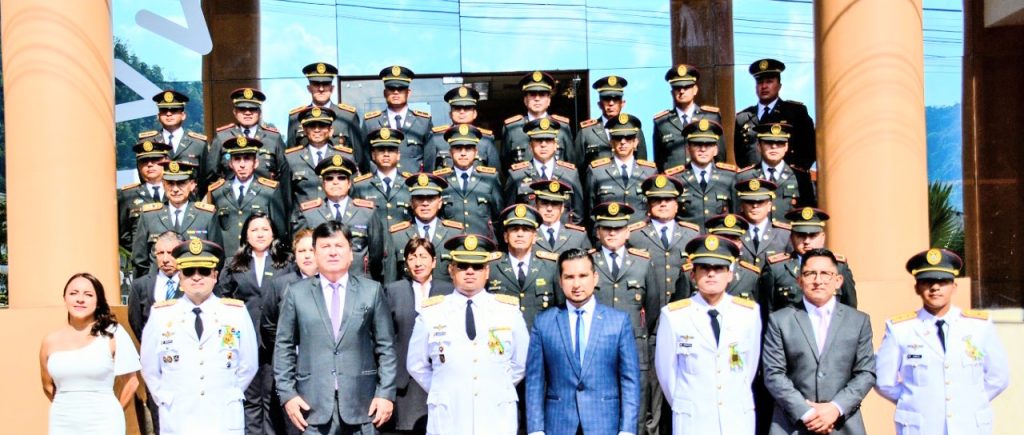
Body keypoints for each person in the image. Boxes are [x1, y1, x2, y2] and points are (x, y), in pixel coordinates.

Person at [274, 221, 398, 434]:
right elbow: (283, 346)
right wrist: (287, 395)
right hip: (312, 408)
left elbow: (386, 347)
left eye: (339, 246)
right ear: (314, 253)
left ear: (351, 253)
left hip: (363, 407)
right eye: (325, 247)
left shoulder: (372, 291)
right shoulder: (296, 293)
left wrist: (385, 393)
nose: (332, 252)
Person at [875, 248, 1010, 435]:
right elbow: (884, 381)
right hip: (921, 426)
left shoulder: (978, 326)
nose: (935, 287)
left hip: (970, 425)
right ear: (916, 287)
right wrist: (915, 400)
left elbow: (999, 376)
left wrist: (970, 400)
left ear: (954, 286)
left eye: (942, 281)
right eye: (927, 281)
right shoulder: (900, 329)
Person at [407, 234, 530, 435]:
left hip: (495, 413)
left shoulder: (508, 311)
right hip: (448, 414)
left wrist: (496, 384)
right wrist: (443, 388)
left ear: (487, 271)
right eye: (462, 266)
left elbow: (521, 362)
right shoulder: (431, 313)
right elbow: (416, 364)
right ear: (451, 269)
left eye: (477, 266)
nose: (470, 271)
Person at [140, 239, 258, 434]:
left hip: (222, 415)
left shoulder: (235, 313)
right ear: (179, 277)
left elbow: (249, 364)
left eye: (203, 271)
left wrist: (229, 392)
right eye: (189, 272)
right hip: (178, 416)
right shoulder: (161, 315)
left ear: (215, 276)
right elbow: (150, 367)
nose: (196, 277)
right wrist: (165, 397)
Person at [525, 248, 641, 435]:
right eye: (569, 277)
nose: (577, 284)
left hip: (604, 424)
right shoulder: (544, 322)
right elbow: (534, 381)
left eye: (583, 276)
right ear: (560, 281)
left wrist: (627, 429)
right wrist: (536, 429)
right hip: (558, 425)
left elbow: (630, 381)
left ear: (595, 278)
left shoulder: (618, 322)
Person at [654, 235, 761, 435]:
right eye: (704, 268)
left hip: (736, 417)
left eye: (719, 268)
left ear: (730, 274)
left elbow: (748, 367)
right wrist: (684, 403)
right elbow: (667, 373)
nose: (711, 274)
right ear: (692, 274)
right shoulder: (674, 315)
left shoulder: (748, 313)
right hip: (693, 419)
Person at [761, 248, 875, 435]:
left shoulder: (858, 321)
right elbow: (773, 374)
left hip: (843, 424)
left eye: (826, 274)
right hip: (792, 425)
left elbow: (866, 372)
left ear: (838, 281)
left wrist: (835, 408)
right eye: (810, 274)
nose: (818, 280)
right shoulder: (780, 320)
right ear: (799, 280)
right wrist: (807, 413)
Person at [589, 202, 662, 435]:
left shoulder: (642, 263)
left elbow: (652, 308)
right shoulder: (588, 262)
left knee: (636, 414)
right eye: (606, 228)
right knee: (597, 413)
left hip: (634, 347)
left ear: (628, 231)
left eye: (618, 228)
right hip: (595, 349)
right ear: (598, 231)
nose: (612, 233)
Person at [218, 212, 294, 435]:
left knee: (272, 396)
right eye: (254, 230)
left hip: (275, 339)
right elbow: (223, 300)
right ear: (245, 235)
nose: (260, 234)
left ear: (273, 233)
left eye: (265, 229)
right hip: (244, 339)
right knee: (250, 398)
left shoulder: (286, 262)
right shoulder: (233, 264)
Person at [41, 273, 141, 435]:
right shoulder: (50, 341)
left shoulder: (114, 333)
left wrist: (114, 413)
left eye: (88, 295)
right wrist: (69, 406)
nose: (80, 299)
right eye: (73, 293)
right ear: (64, 298)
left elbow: (132, 382)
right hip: (62, 421)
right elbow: (47, 385)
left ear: (98, 301)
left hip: (104, 422)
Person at [382, 238, 455, 435]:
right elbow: (385, 337)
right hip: (405, 381)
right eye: (412, 257)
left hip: (439, 377)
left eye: (423, 256)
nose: (418, 262)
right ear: (406, 263)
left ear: (433, 261)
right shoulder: (393, 290)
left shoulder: (448, 291)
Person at [294, 155, 392, 282]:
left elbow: (376, 255)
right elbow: (301, 251)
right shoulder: (309, 214)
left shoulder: (367, 212)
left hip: (359, 282)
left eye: (341, 178)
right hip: (320, 283)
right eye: (329, 178)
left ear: (349, 183)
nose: (335, 182)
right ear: (323, 184)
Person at [131, 160, 220, 277]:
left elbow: (216, 256)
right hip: (159, 287)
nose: (175, 189)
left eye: (181, 183)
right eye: (170, 184)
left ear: (192, 185)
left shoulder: (206, 216)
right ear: (163, 184)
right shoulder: (149, 216)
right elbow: (139, 259)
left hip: (194, 284)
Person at [759, 207, 857, 313]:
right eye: (801, 235)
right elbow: (767, 311)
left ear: (823, 237)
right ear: (791, 237)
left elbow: (850, 309)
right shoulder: (776, 269)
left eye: (813, 235)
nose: (806, 241)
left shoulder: (839, 266)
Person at [207, 136, 288, 256]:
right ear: (230, 163)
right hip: (228, 261)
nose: (242, 165)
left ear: (256, 163)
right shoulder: (218, 191)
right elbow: (213, 233)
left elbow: (279, 231)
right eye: (237, 159)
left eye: (247, 159)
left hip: (259, 258)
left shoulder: (270, 191)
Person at [734, 58, 816, 170]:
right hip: (755, 183)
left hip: (787, 181)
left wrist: (797, 172)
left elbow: (810, 149)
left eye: (769, 81)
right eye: (760, 82)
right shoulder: (742, 118)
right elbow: (739, 155)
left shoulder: (796, 112)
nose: (764, 86)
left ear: (779, 86)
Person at [488, 204, 561, 327]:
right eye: (514, 229)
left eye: (526, 229)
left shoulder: (551, 266)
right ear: (505, 236)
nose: (520, 234)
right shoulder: (491, 266)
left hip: (540, 338)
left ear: (534, 237)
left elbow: (560, 308)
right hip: (503, 340)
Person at [387, 173, 464, 284]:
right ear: (411, 203)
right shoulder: (397, 235)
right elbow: (391, 282)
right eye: (419, 198)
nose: (425, 203)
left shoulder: (454, 233)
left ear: (440, 203)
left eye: (431, 198)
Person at [209, 87, 291, 190]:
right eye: (242, 109)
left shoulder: (273, 138)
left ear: (260, 112)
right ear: (234, 111)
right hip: (231, 201)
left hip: (266, 200)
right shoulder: (222, 137)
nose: (247, 113)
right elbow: (211, 174)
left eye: (252, 109)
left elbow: (285, 173)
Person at [505, 118, 585, 224]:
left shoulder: (570, 174)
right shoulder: (516, 175)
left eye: (548, 140)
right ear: (530, 145)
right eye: (538, 140)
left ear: (556, 145)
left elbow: (578, 214)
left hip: (562, 236)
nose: (543, 144)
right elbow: (509, 214)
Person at [663, 119, 737, 232]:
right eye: (697, 144)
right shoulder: (675, 179)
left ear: (716, 149)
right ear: (688, 149)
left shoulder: (729, 177)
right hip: (687, 245)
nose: (703, 149)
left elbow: (736, 215)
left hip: (720, 244)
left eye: (708, 144)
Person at [736, 121, 815, 222]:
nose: (774, 147)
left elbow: (808, 215)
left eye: (779, 143)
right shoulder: (744, 177)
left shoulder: (800, 178)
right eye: (768, 142)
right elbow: (737, 213)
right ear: (759, 146)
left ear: (786, 147)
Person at [137, 89, 212, 196]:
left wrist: (194, 197)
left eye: (174, 110)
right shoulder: (147, 142)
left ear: (183, 115)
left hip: (189, 203)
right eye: (164, 110)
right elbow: (143, 175)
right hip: (157, 203)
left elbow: (205, 178)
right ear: (158, 116)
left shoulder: (198, 144)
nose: (168, 114)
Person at [587, 114, 658, 225]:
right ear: (611, 142)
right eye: (618, 137)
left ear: (636, 142)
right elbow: (590, 212)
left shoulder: (649, 172)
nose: (623, 142)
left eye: (628, 137)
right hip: (610, 236)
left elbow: (655, 209)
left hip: (640, 238)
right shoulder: (596, 171)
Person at [434, 124, 504, 239]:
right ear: (450, 153)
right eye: (458, 148)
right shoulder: (441, 180)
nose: (463, 153)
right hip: (452, 246)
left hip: (484, 246)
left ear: (476, 152)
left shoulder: (490, 179)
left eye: (468, 148)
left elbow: (499, 217)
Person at [501, 71, 577, 171]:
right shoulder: (511, 128)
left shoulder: (562, 127)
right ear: (525, 100)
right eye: (532, 94)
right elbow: (505, 164)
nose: (537, 99)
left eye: (542, 94)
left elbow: (570, 163)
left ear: (549, 100)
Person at [652, 64, 725, 169]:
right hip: (674, 182)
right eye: (677, 88)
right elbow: (659, 162)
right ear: (672, 92)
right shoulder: (662, 122)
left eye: (686, 87)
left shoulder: (711, 117)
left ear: (695, 90)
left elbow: (720, 157)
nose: (682, 91)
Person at [363, 65, 433, 173]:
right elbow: (364, 159)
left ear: (408, 93)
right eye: (391, 88)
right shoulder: (371, 122)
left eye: (401, 89)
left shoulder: (423, 122)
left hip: (413, 185)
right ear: (385, 93)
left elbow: (429, 160)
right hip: (380, 186)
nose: (396, 92)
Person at [285, 106, 357, 210]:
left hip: (337, 222)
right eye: (312, 126)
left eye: (322, 126)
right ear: (304, 130)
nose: (317, 130)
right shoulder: (291, 158)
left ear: (331, 130)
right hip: (304, 223)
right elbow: (286, 199)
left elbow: (354, 193)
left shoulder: (345, 157)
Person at [286, 62, 363, 154]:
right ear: (309, 88)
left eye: (325, 84)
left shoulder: (347, 116)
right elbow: (291, 157)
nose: (321, 89)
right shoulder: (296, 117)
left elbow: (359, 157)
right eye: (316, 84)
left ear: (332, 88)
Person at [423, 86, 501, 171]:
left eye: (467, 108)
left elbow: (494, 175)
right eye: (457, 108)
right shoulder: (436, 139)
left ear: (475, 113)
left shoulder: (486, 140)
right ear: (450, 114)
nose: (462, 112)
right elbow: (429, 174)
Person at [576, 75, 647, 164]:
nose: (611, 103)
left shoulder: (635, 130)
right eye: (606, 99)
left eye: (616, 99)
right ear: (599, 104)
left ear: (622, 103)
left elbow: (642, 166)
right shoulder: (587, 132)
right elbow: (578, 169)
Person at [353, 127, 413, 226]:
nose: (386, 154)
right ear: (373, 155)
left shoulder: (409, 184)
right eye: (381, 150)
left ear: (398, 155)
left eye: (391, 150)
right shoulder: (360, 186)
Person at [117, 139, 171, 250]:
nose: (150, 164)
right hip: (144, 263)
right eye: (144, 161)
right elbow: (123, 235)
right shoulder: (127, 196)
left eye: (155, 159)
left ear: (166, 161)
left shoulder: (179, 191)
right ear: (139, 166)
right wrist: (141, 254)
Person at [734, 178, 791, 268]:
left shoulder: (784, 235)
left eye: (760, 202)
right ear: (741, 206)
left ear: (769, 206)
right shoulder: (734, 234)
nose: (755, 206)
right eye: (749, 202)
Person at [530, 180, 590, 254]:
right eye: (544, 203)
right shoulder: (527, 234)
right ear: (536, 206)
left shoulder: (578, 236)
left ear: (562, 208)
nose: (549, 209)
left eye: (555, 204)